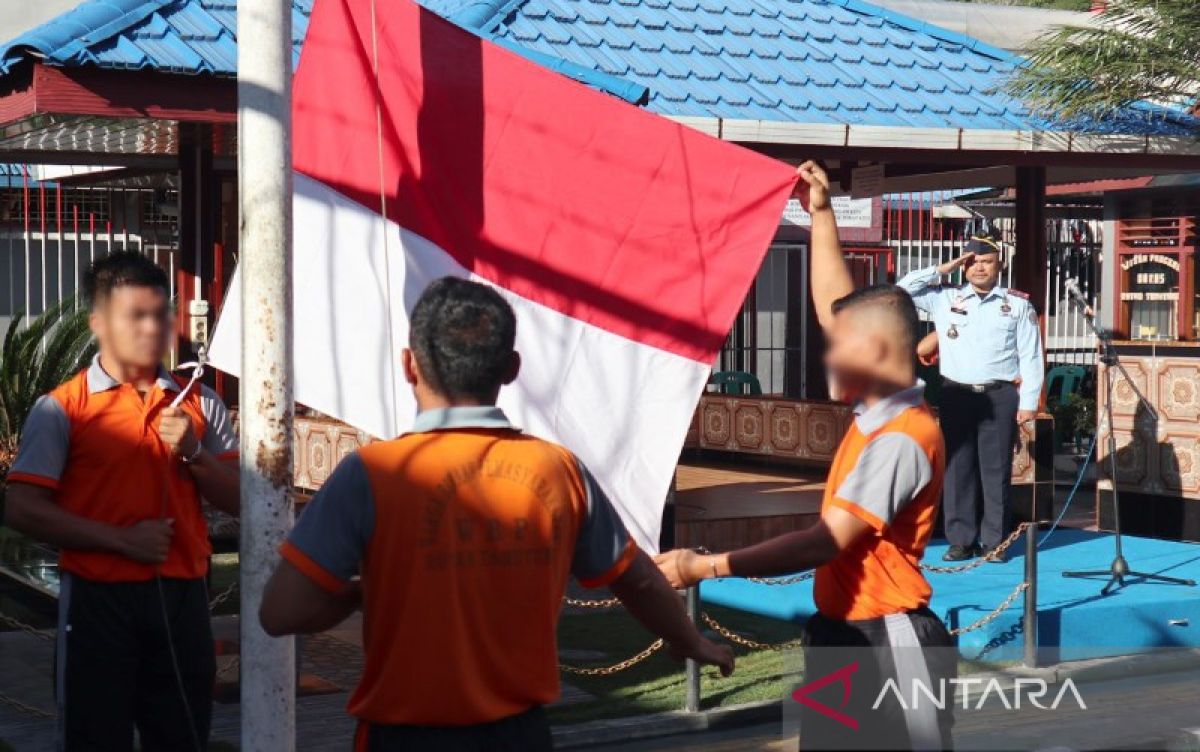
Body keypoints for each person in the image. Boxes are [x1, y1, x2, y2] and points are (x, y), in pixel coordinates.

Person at [258, 276, 733, 752]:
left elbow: (281, 611)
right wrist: (691, 641)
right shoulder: (559, 470)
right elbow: (638, 579)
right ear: (511, 368)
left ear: (409, 365)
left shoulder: (371, 473)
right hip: (518, 736)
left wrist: (364, 593)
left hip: (402, 738)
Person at [655, 162, 953, 751]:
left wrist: (705, 567)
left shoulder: (901, 436)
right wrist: (818, 213)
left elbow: (826, 540)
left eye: (838, 349)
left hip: (887, 639)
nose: (828, 357)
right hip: (845, 634)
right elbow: (835, 309)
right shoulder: (879, 413)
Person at [5, 251, 240, 751]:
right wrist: (119, 541)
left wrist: (195, 454)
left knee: (182, 738)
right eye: (136, 316)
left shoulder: (200, 402)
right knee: (94, 740)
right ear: (98, 323)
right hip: (97, 601)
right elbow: (21, 508)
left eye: (160, 314)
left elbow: (246, 500)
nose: (152, 328)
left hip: (184, 600)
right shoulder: (62, 408)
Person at [896, 235, 1044, 562]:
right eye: (972, 262)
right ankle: (960, 539)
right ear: (964, 266)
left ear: (999, 266)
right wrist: (942, 268)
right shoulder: (944, 298)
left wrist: (1029, 402)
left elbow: (1031, 356)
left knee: (995, 471)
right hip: (956, 393)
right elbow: (902, 289)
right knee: (957, 469)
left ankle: (995, 542)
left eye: (987, 261)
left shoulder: (1017, 305)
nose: (979, 267)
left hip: (998, 395)